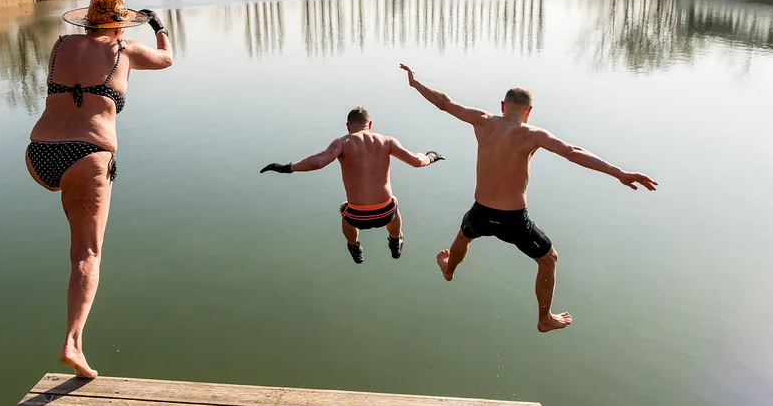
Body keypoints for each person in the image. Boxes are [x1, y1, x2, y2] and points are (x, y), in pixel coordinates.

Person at [399, 64, 657, 332]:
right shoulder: (532, 135)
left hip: (482, 212)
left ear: (502, 106)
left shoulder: (482, 120)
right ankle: (544, 319)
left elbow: (444, 103)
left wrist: (415, 83)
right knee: (549, 260)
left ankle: (449, 270)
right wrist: (619, 173)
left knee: (464, 236)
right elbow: (572, 152)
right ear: (528, 112)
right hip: (514, 220)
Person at [25, 0, 173, 377]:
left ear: (85, 20)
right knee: (86, 254)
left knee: (75, 233)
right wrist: (157, 25)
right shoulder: (123, 47)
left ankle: (73, 340)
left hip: (38, 155)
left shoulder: (59, 45)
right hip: (86, 158)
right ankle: (73, 343)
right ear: (120, 23)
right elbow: (167, 58)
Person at [260, 107, 444, 263]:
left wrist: (286, 168)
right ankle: (396, 240)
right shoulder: (387, 141)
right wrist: (431, 156)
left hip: (357, 217)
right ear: (370, 125)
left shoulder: (342, 142)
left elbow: (317, 162)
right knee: (393, 202)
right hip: (386, 214)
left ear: (348, 126)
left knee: (344, 209)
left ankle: (354, 246)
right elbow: (415, 161)